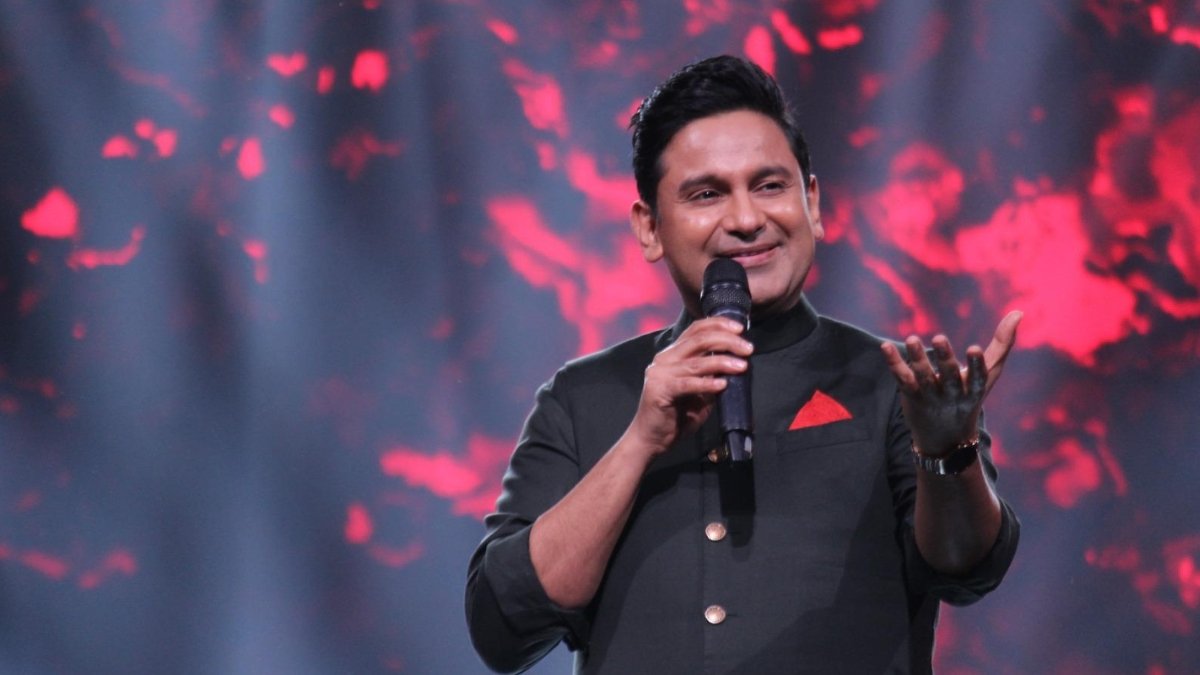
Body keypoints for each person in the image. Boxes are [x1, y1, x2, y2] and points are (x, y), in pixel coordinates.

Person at [465, 54, 1021, 674]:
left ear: (812, 202)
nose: (748, 219)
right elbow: (502, 627)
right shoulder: (581, 398)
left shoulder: (891, 386)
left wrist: (947, 455)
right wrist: (640, 442)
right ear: (650, 228)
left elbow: (968, 570)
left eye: (770, 186)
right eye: (707, 194)